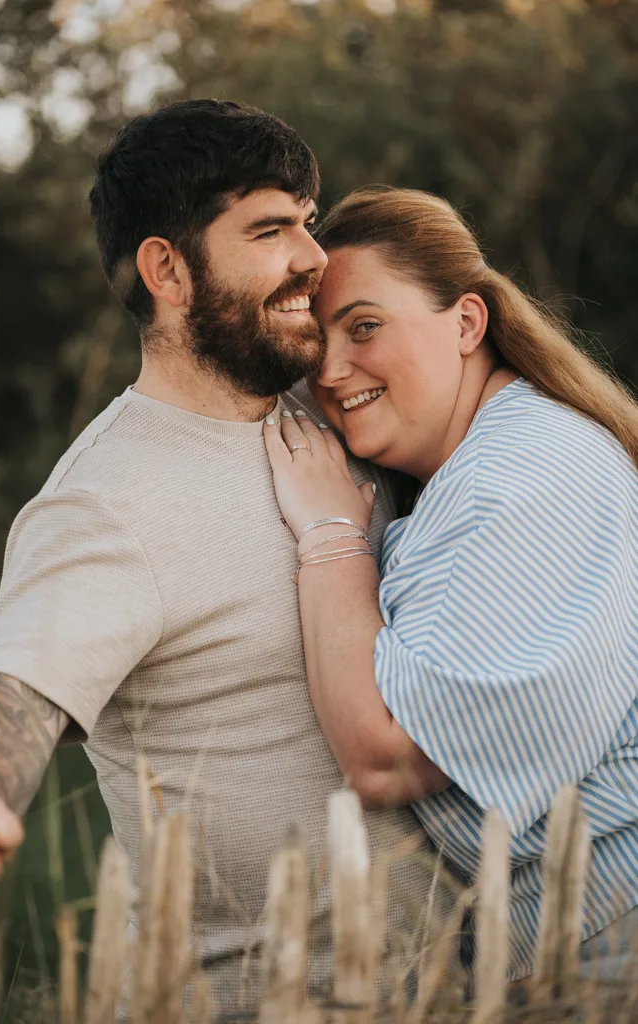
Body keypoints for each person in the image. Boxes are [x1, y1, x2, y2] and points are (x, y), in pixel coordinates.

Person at [0, 108, 452, 1011]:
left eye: (309, 219)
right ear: (167, 269)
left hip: (464, 985)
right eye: (269, 229)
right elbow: (17, 679)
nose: (312, 255)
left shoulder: (337, 394)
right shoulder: (106, 502)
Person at [263, 185, 638, 982]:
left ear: (467, 323)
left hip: (610, 935)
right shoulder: (491, 462)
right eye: (313, 344)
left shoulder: (523, 475)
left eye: (364, 326)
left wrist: (330, 538)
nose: (329, 371)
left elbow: (389, 758)